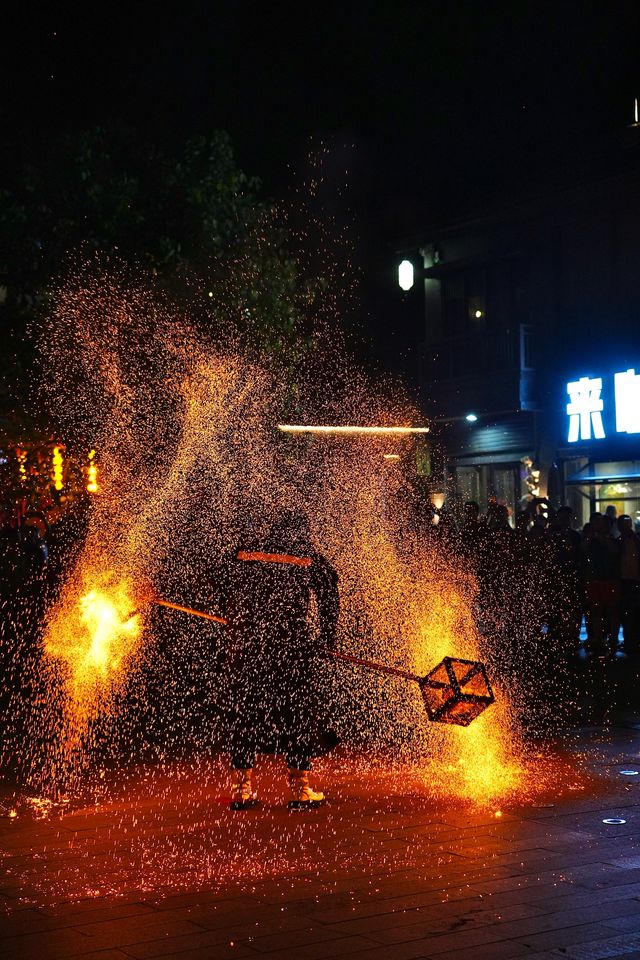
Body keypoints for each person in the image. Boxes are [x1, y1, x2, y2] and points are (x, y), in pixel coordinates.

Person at [222, 508, 339, 811]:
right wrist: (326, 638)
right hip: (290, 647)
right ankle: (299, 789)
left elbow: (221, 581)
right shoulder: (305, 555)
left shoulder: (247, 552)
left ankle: (241, 789)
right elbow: (329, 591)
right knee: (298, 714)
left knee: (244, 713)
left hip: (248, 647)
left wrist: (232, 618)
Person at [619, 514, 640, 658]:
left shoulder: (634, 539)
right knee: (627, 613)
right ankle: (630, 642)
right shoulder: (620, 540)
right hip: (624, 580)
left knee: (632, 613)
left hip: (632, 580)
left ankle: (632, 642)